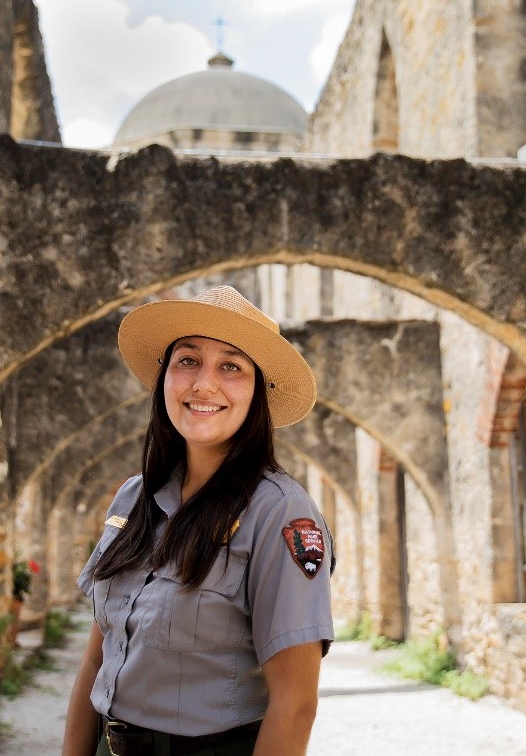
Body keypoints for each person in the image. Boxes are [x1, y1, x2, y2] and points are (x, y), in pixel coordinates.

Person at [62, 286, 334, 756]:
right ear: (165, 375)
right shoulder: (134, 496)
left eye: (231, 366)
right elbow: (97, 657)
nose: (203, 384)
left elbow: (295, 704)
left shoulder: (279, 512)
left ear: (259, 392)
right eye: (187, 360)